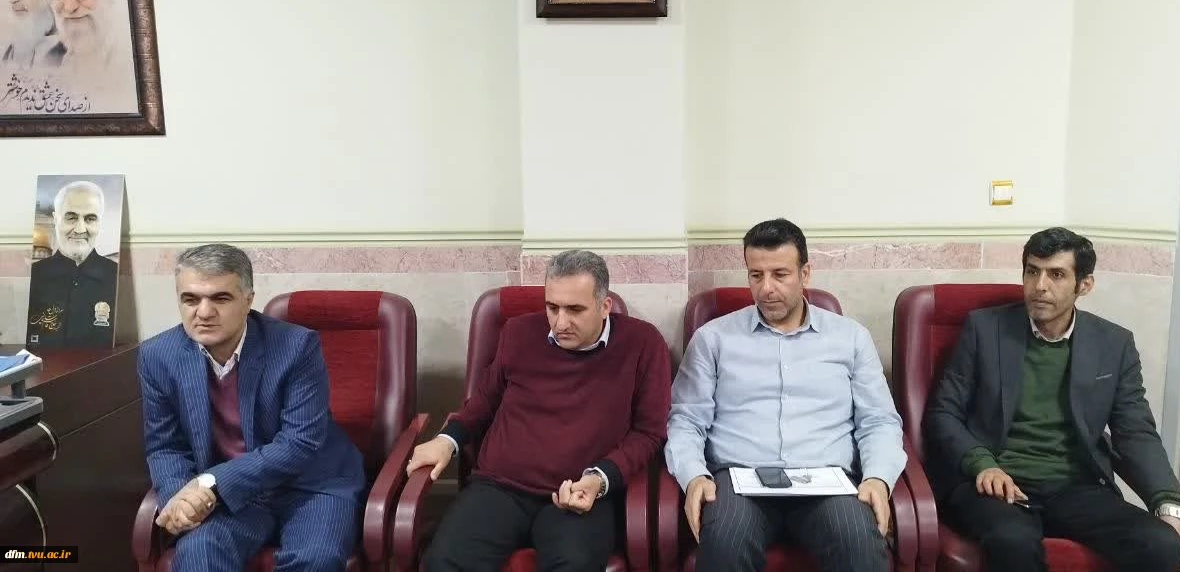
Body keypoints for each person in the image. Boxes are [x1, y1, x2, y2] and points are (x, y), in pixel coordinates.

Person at [924, 227, 1180, 571]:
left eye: (1056, 274)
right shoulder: (984, 329)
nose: (1039, 286)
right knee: (1013, 542)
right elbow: (943, 412)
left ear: (1085, 284)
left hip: (1076, 487)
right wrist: (982, 463)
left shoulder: (1113, 344)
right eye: (1032, 271)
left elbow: (1135, 432)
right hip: (997, 483)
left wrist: (1169, 505)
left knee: (1161, 544)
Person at [665, 218, 906, 572]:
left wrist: (877, 477)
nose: (766, 288)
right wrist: (694, 475)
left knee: (858, 542)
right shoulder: (713, 339)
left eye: (780, 274)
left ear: (805, 274)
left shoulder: (850, 338)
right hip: (740, 481)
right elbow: (686, 421)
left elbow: (879, 420)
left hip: (827, 482)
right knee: (725, 542)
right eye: (756, 275)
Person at [408, 249, 670, 572]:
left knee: (573, 564)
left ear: (604, 306)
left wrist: (600, 478)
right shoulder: (517, 333)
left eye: (575, 309)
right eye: (552, 307)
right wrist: (447, 440)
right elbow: (484, 402)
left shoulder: (643, 343)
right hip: (500, 487)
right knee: (442, 562)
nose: (561, 323)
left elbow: (649, 432)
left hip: (580, 493)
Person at [138, 244, 365, 571]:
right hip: (232, 497)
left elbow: (299, 443)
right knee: (199, 552)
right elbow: (165, 445)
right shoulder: (158, 356)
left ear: (248, 300)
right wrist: (182, 497)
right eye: (190, 299)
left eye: (220, 298)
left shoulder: (296, 346)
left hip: (310, 485)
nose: (204, 312)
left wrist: (209, 483)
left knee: (317, 558)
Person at [26, 180, 118, 350]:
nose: (80, 229)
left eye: (90, 218)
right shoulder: (34, 276)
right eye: (71, 217)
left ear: (100, 223)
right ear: (56, 219)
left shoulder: (116, 277)